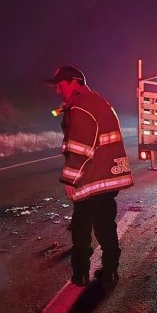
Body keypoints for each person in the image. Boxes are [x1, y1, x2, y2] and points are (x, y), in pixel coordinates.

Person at [47, 65, 133, 288]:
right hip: (104, 178)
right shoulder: (96, 102)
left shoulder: (83, 108)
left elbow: (81, 148)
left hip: (92, 178)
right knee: (105, 226)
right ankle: (110, 272)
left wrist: (69, 179)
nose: (57, 90)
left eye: (60, 85)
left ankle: (81, 275)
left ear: (74, 82)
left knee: (81, 228)